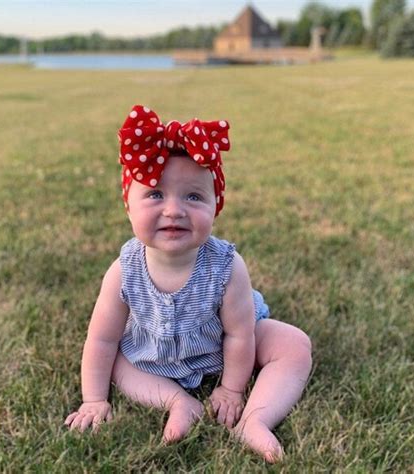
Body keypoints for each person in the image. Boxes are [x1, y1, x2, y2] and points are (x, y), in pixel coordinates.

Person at [64, 105, 312, 463]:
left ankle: (255, 420)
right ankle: (178, 402)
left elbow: (240, 335)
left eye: (193, 196)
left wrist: (231, 388)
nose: (174, 210)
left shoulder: (227, 267)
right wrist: (94, 399)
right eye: (155, 194)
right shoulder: (123, 270)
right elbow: (101, 338)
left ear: (216, 206)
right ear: (128, 207)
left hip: (219, 348)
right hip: (151, 353)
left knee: (294, 344)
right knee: (112, 358)